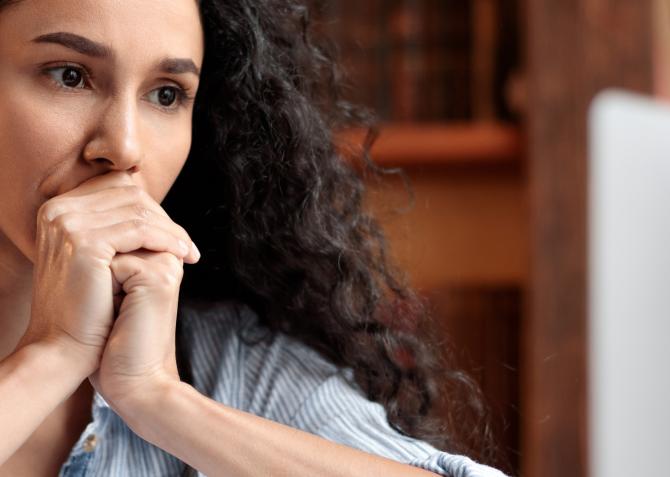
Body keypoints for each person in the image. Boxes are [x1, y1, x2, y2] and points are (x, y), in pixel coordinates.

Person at [0, 0, 509, 476]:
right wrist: (50, 357)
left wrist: (160, 400)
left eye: (166, 94)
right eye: (70, 76)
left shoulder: (233, 365)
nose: (125, 146)